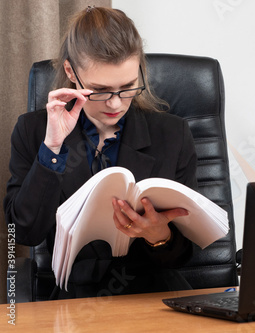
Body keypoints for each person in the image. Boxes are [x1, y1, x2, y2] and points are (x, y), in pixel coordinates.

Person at [4, 6, 197, 299]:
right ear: (71, 72)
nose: (116, 104)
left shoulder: (173, 135)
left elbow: (187, 253)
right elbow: (23, 233)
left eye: (128, 87)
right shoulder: (34, 131)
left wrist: (160, 237)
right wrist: (52, 148)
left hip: (151, 296)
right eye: (100, 90)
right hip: (72, 298)